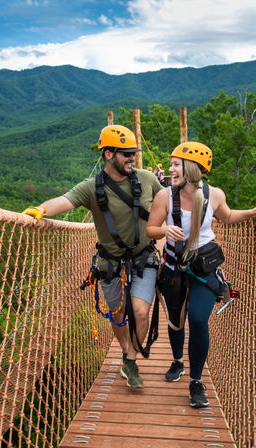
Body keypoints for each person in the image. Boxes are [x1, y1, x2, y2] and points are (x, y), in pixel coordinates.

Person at [23, 124, 163, 388]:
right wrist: (40, 209)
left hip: (143, 258)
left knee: (141, 313)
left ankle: (131, 360)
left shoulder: (147, 179)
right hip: (109, 262)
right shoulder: (91, 187)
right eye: (126, 154)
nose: (132, 158)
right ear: (109, 154)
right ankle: (125, 351)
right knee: (118, 314)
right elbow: (65, 201)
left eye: (133, 153)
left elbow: (167, 201)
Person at [146, 141, 256, 407]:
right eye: (171, 164)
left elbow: (226, 217)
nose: (170, 169)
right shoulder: (164, 197)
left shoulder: (214, 195)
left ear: (193, 169)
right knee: (176, 320)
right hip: (174, 265)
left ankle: (196, 382)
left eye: (175, 164)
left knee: (197, 318)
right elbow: (150, 229)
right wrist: (164, 232)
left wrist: (252, 212)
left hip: (204, 267)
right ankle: (177, 361)